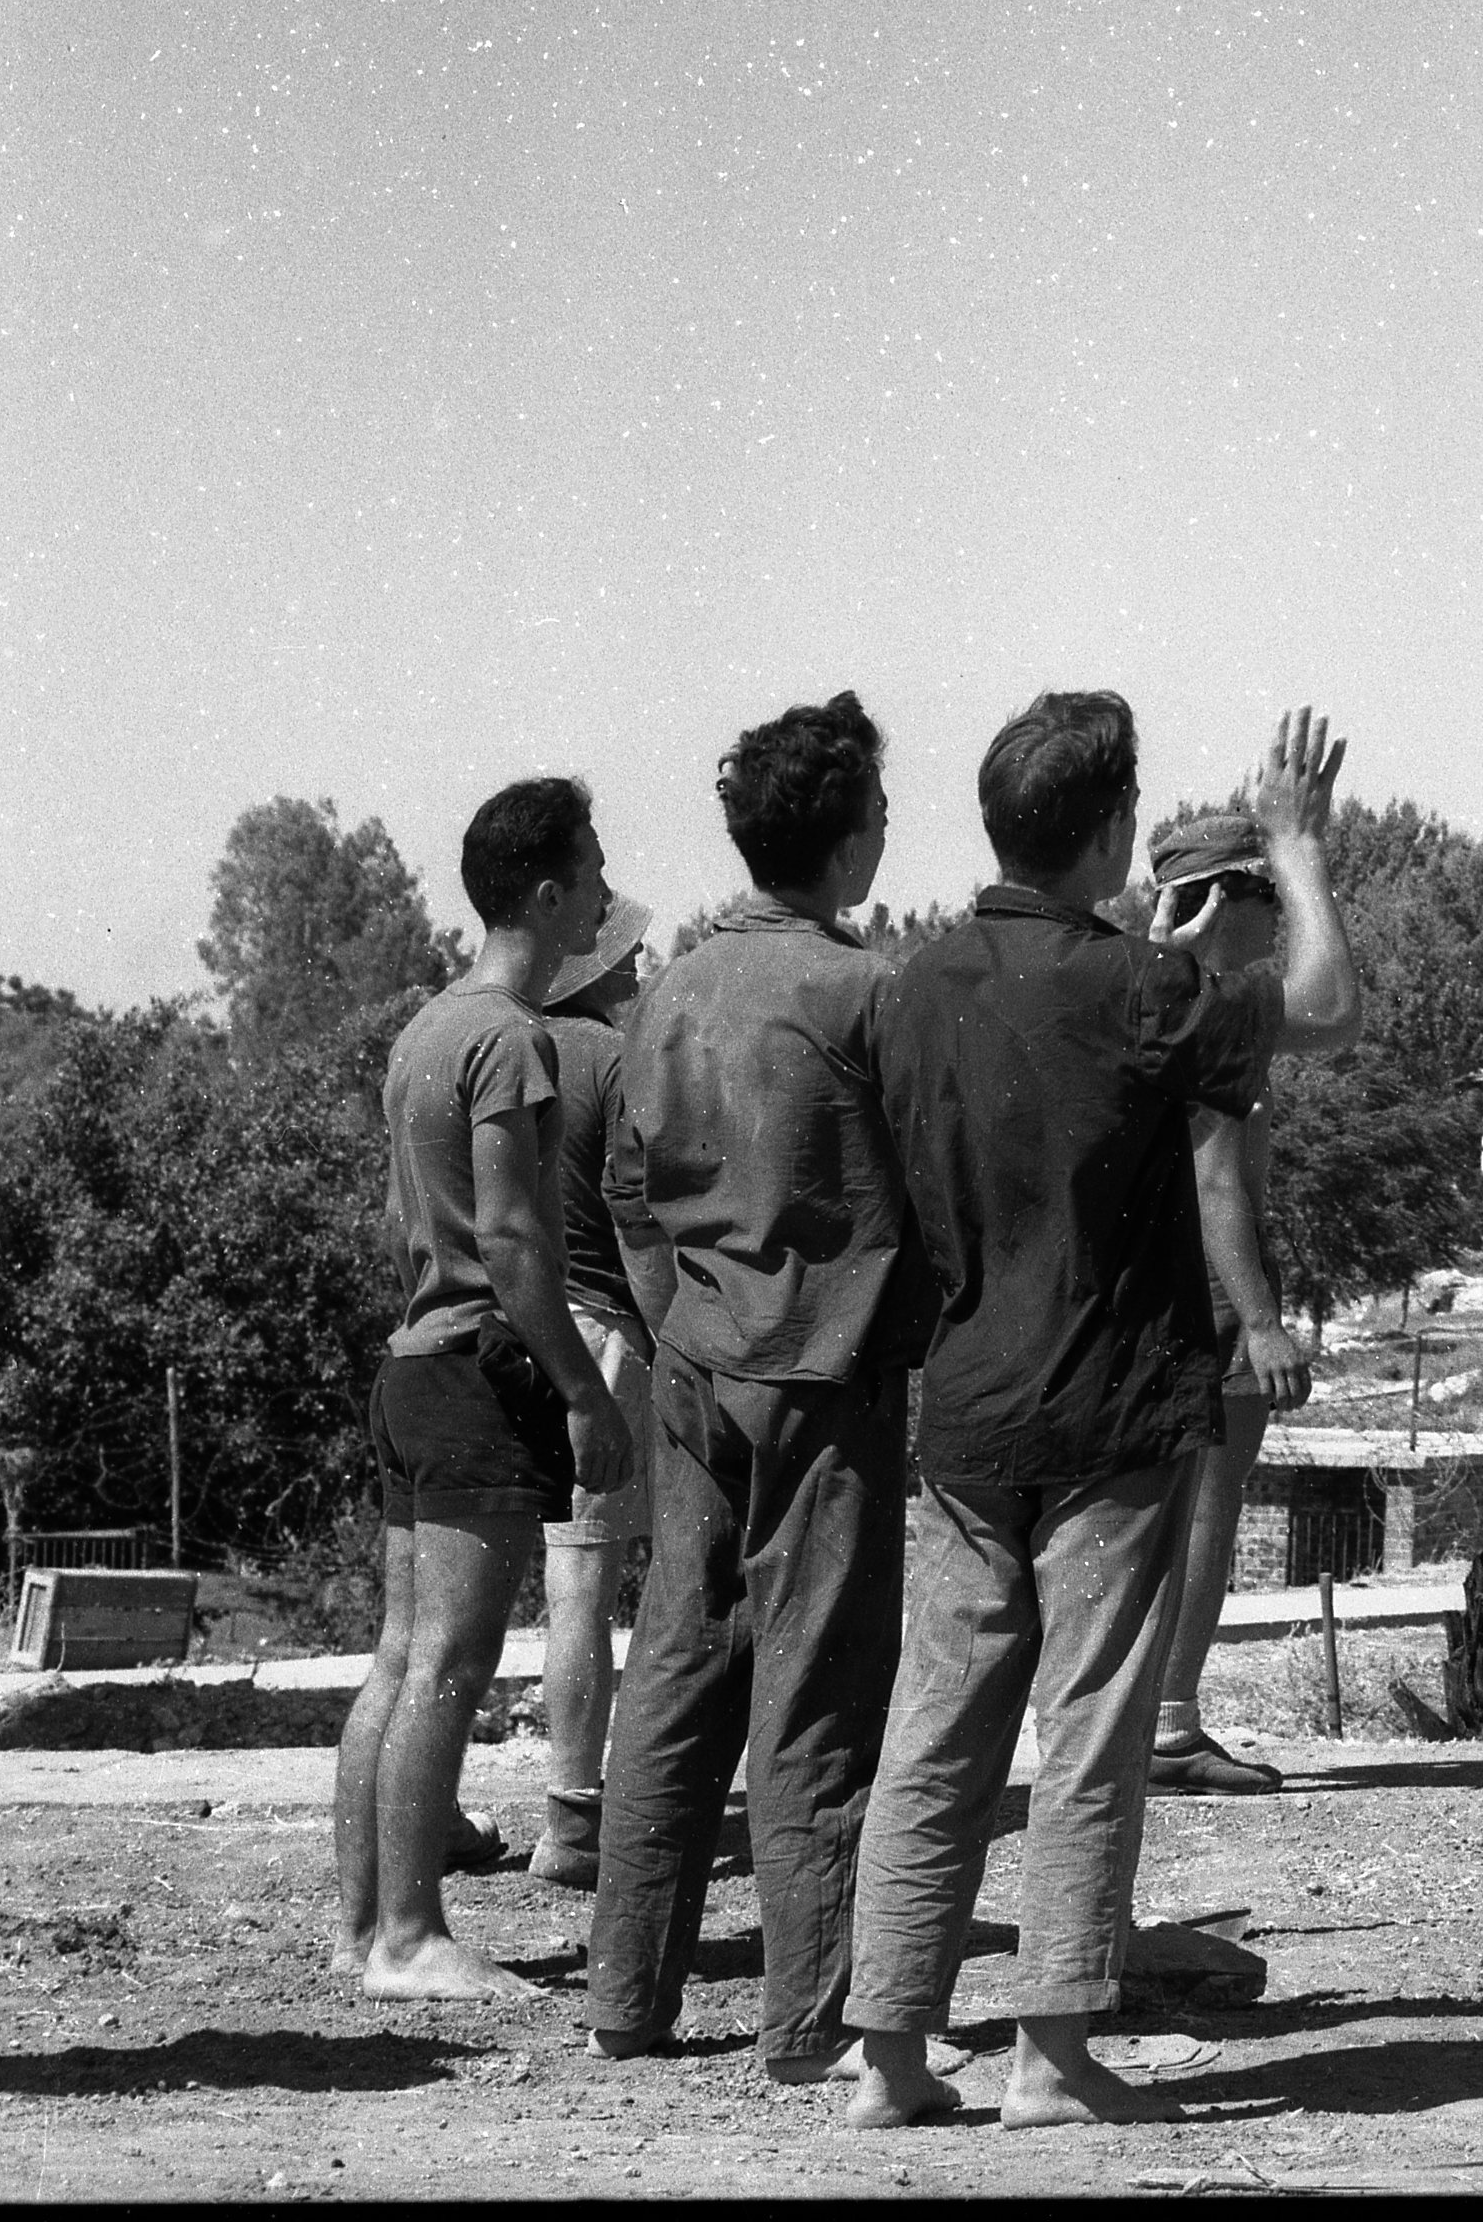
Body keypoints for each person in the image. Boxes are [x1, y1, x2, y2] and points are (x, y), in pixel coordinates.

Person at [842, 699, 1355, 2134]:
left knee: (933, 1734)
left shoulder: (908, 987)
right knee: (1090, 1735)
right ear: (1114, 824)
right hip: (1108, 1412)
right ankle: (1052, 2056)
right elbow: (1323, 1008)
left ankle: (888, 2055)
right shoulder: (1134, 987)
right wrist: (1301, 854)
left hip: (964, 1413)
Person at [585, 692, 918, 2082]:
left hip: (697, 1369)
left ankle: (626, 1999)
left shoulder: (670, 989)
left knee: (674, 1672)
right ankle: (809, 2020)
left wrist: (677, 1325)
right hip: (825, 1375)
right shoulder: (865, 992)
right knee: (817, 1693)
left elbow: (622, 1190)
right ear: (850, 845)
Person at [334, 777, 635, 1997]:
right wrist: (584, 1389)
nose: (609, 895)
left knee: (403, 1656)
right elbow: (516, 1243)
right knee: (451, 1660)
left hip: (411, 1367)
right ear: (552, 893)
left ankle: (362, 1925)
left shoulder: (428, 1027)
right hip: (474, 1369)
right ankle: (409, 1936)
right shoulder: (511, 1037)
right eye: (597, 873)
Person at [1139, 804, 1316, 1799]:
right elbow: (1218, 1184)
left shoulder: (1159, 996)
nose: (1272, 911)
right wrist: (1260, 1316)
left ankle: (1159, 1713)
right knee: (1204, 1511)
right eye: (1258, 890)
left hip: (1170, 1288)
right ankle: (1169, 1720)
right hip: (1210, 1294)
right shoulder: (1206, 1012)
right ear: (1214, 898)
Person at [528, 889, 657, 1895]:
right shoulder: (616, 1063)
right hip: (599, 1329)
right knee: (587, 1577)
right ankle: (574, 1814)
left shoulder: (501, 1045)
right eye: (633, 958)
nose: (644, 970)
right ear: (604, 973)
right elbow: (639, 1217)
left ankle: (430, 1810)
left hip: (508, 1327)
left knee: (470, 1589)